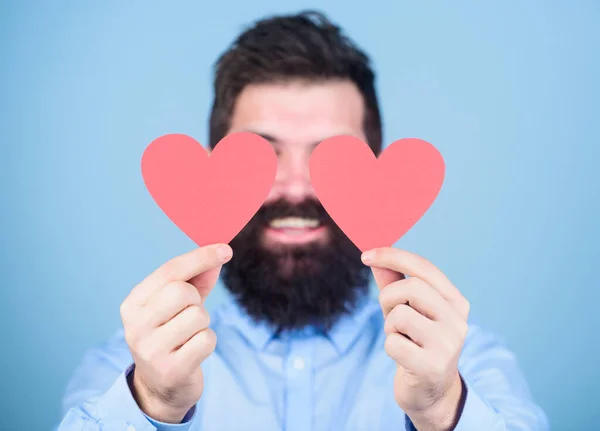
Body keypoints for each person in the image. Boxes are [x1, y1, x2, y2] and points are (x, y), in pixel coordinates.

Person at [57, 10, 549, 431]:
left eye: (330, 156)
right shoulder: (128, 366)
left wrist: (443, 409)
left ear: (375, 167)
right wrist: (154, 405)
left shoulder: (463, 361)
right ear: (214, 167)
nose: (295, 187)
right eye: (262, 153)